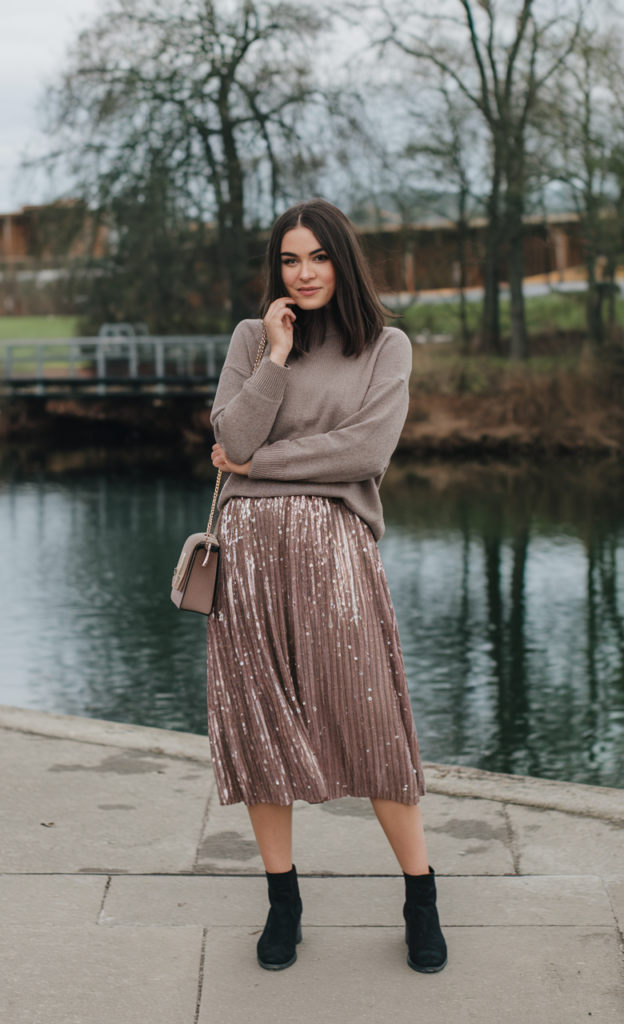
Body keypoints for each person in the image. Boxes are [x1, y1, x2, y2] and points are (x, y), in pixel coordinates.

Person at [207, 198, 447, 974]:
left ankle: (420, 897)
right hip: (247, 561)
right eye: (288, 259)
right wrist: (275, 358)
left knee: (372, 724)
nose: (302, 273)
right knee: (260, 729)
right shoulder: (253, 339)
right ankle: (283, 900)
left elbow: (366, 452)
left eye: (316, 257)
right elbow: (231, 436)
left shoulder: (387, 346)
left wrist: (259, 467)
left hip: (338, 557)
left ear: (343, 260)